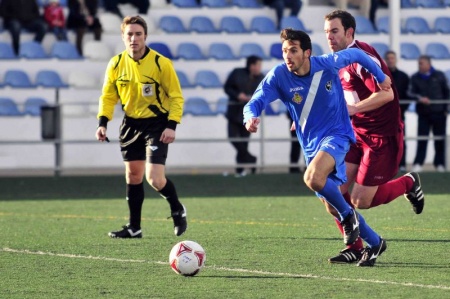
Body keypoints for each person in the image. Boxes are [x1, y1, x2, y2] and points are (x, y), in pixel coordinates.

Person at [244, 28, 392, 267]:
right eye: (284, 51)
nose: (287, 56)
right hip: (311, 145)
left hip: (338, 135)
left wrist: (380, 76)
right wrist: (250, 117)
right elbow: (255, 101)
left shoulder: (327, 63)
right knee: (330, 206)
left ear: (307, 53)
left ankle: (349, 217)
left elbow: (359, 56)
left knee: (312, 178)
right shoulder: (279, 75)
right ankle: (375, 242)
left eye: (293, 50)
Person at [323, 10, 425, 264]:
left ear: (349, 32)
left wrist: (355, 109)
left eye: (334, 31)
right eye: (326, 32)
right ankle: (355, 247)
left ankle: (408, 183)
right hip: (356, 134)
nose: (330, 37)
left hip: (382, 137)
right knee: (331, 193)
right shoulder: (338, 60)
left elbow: (386, 93)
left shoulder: (362, 59)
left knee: (360, 200)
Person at [95, 15, 187, 239]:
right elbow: (108, 96)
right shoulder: (116, 64)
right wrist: (102, 123)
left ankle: (177, 209)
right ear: (123, 37)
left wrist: (172, 125)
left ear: (145, 36)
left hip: (157, 124)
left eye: (138, 34)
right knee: (133, 176)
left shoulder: (160, 63)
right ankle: (134, 227)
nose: (134, 38)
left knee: (154, 178)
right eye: (130, 34)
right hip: (130, 124)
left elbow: (176, 97)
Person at [224, 55, 264, 177]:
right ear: (251, 65)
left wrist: (253, 98)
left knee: (244, 141)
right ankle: (251, 159)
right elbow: (227, 88)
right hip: (234, 112)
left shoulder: (261, 77)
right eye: (258, 65)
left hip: (249, 115)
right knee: (233, 138)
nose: (259, 68)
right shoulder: (237, 73)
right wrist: (238, 95)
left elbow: (263, 92)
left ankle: (240, 170)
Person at [409, 55, 449, 173]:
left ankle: (440, 164)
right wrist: (420, 98)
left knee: (439, 140)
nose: (419, 65)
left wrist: (446, 109)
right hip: (423, 114)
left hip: (439, 113)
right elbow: (410, 92)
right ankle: (418, 163)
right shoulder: (415, 77)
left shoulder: (440, 76)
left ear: (428, 64)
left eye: (421, 63)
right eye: (419, 63)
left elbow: (447, 92)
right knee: (422, 139)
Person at [384, 50, 410, 172]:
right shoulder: (381, 76)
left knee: (400, 140)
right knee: (385, 142)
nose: (390, 60)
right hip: (384, 116)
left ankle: (402, 164)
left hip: (399, 115)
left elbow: (408, 95)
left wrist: (401, 109)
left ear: (396, 59)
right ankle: (386, 165)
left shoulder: (404, 77)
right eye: (388, 58)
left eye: (392, 58)